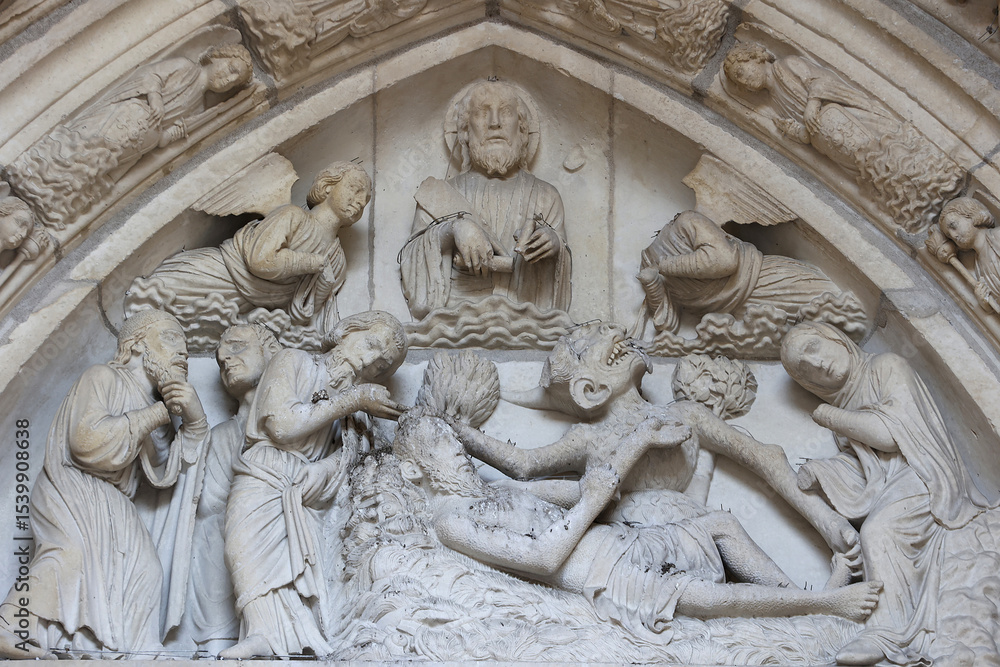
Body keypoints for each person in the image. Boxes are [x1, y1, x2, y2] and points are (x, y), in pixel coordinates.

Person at [394, 352, 881, 639]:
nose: (458, 452)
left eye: (456, 442)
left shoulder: (496, 495)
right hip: (605, 569)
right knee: (699, 596)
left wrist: (626, 456)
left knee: (722, 525)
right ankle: (828, 607)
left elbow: (582, 492)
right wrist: (596, 491)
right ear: (414, 469)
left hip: (626, 538)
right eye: (443, 445)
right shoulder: (452, 520)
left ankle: (808, 599)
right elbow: (541, 544)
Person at [454, 321, 861, 561]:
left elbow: (762, 456)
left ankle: (810, 604)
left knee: (731, 536)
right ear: (590, 390)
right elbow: (525, 464)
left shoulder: (685, 414)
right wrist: (460, 430)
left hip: (696, 535)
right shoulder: (590, 437)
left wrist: (829, 523)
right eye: (593, 341)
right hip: (634, 547)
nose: (614, 331)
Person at [781, 322, 995, 665]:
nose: (818, 364)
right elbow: (868, 473)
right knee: (876, 530)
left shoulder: (885, 367)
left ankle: (885, 630)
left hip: (927, 472)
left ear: (835, 338)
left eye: (814, 349)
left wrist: (830, 416)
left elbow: (888, 436)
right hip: (895, 486)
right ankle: (904, 624)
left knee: (878, 530)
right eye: (806, 370)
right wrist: (824, 473)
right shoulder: (845, 409)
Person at [0, 310, 208, 658]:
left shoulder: (154, 407)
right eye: (172, 338)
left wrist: (195, 422)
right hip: (72, 488)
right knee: (68, 556)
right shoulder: (102, 377)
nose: (183, 351)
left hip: (113, 501)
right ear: (137, 344)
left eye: (184, 344)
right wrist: (159, 413)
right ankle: (11, 626)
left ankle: (140, 650)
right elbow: (86, 443)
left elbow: (164, 471)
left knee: (146, 571)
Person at [221, 311, 408, 659]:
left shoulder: (358, 412)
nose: (368, 361)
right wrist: (352, 400)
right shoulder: (293, 361)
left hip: (309, 496)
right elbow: (281, 425)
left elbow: (351, 462)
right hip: (264, 473)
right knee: (244, 550)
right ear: (345, 332)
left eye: (381, 365)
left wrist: (321, 471)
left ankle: (296, 640)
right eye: (369, 344)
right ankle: (261, 631)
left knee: (300, 566)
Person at [6, 44, 253, 228]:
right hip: (121, 121)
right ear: (216, 56)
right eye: (231, 69)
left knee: (94, 173)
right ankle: (33, 181)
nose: (228, 79)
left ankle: (53, 203)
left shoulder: (199, 108)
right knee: (81, 152)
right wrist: (155, 99)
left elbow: (162, 141)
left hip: (136, 146)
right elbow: (150, 75)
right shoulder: (185, 67)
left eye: (234, 81)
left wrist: (174, 133)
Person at [126, 162, 371, 346]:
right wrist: (309, 262)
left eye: (366, 199)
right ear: (327, 187)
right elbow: (260, 260)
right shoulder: (293, 217)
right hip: (226, 272)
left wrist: (324, 285)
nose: (360, 202)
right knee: (158, 290)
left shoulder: (337, 259)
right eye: (355, 189)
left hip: (249, 304)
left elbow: (301, 315)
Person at [722, 42, 961, 232]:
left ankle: (936, 185)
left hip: (852, 122)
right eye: (738, 81)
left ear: (755, 57)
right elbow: (809, 133)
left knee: (893, 155)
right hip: (836, 146)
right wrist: (794, 131)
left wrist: (813, 103)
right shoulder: (776, 102)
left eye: (741, 71)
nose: (744, 80)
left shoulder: (787, 65)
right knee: (879, 176)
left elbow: (823, 80)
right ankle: (917, 205)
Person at [400, 80, 572, 318]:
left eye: (506, 112)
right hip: (456, 322)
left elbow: (559, 283)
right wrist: (453, 229)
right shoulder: (438, 196)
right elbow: (412, 260)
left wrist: (553, 246)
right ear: (464, 132)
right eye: (482, 112)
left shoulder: (545, 196)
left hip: (526, 323)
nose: (494, 123)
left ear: (523, 131)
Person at [182, 324, 281, 653]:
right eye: (220, 356)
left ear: (270, 353)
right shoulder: (221, 435)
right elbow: (205, 503)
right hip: (218, 558)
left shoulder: (294, 429)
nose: (225, 357)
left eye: (237, 346)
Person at [635, 210, 864, 335]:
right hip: (738, 312)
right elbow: (667, 323)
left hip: (763, 280)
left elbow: (724, 260)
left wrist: (666, 266)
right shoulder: (650, 263)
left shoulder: (687, 221)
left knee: (837, 303)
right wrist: (652, 284)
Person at [929, 196, 1000, 313]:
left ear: (971, 214)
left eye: (953, 226)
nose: (954, 235)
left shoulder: (997, 237)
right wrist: (985, 302)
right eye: (949, 236)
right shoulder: (979, 269)